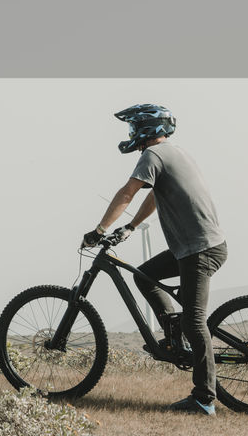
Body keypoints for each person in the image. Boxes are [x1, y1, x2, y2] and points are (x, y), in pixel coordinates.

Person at [82, 103, 228, 415]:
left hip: (198, 250)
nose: (131, 134)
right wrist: (130, 227)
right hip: (197, 247)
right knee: (144, 274)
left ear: (145, 129)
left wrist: (99, 230)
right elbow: (153, 195)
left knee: (195, 319)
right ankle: (175, 339)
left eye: (133, 128)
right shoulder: (175, 153)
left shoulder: (153, 155)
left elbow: (127, 193)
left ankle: (204, 399)